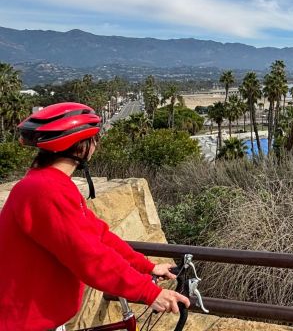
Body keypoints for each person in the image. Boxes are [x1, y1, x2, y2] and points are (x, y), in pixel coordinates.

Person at [0, 102, 191, 331]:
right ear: (82, 147)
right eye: (95, 138)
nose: (96, 145)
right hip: (23, 322)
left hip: (36, 318)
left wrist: (147, 267)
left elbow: (98, 236)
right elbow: (88, 256)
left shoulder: (51, 185)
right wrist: (149, 292)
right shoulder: (45, 191)